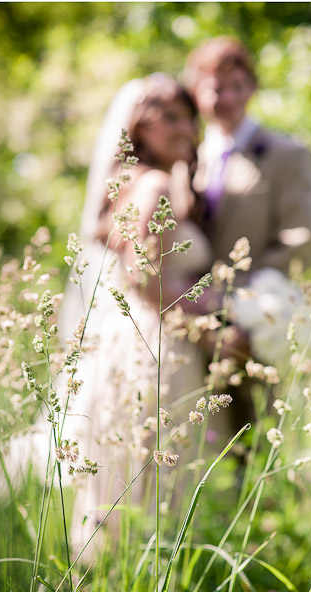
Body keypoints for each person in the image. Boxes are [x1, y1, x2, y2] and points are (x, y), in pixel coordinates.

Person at [59, 73, 217, 553]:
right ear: (139, 128)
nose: (185, 129)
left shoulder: (132, 183)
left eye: (189, 119)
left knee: (118, 486)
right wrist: (206, 318)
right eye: (169, 117)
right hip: (158, 349)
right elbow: (143, 277)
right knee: (155, 486)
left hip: (129, 345)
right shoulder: (152, 183)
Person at [182, 36, 311, 425]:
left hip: (252, 319)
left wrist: (244, 306)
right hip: (186, 319)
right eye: (214, 87)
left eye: (236, 86)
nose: (225, 97)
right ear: (196, 92)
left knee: (253, 432)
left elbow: (302, 239)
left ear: (252, 88)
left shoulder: (287, 155)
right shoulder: (184, 156)